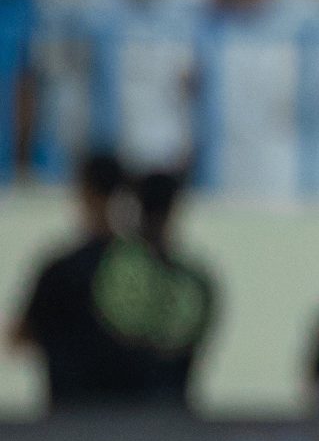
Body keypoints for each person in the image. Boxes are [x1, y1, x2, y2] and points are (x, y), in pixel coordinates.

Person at [11, 152, 215, 411]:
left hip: (74, 423)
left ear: (84, 193)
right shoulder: (189, 280)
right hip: (155, 422)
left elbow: (18, 338)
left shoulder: (65, 270)